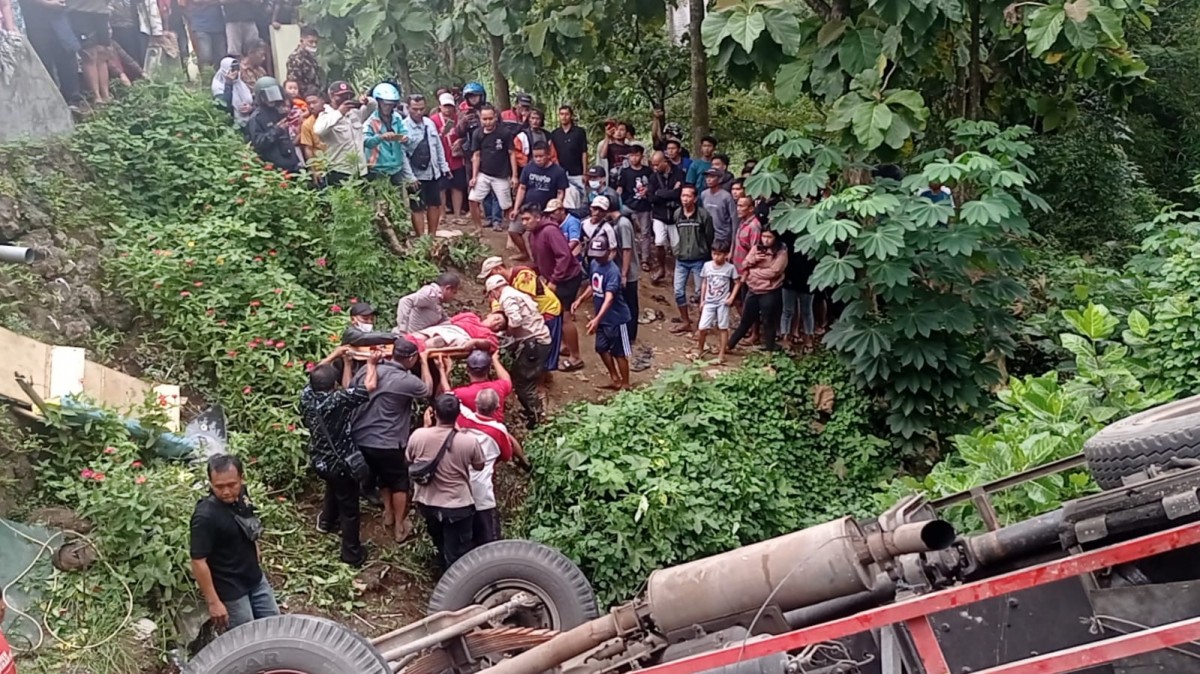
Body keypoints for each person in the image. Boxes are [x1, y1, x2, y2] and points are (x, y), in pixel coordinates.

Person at [301, 345, 379, 566]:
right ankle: (351, 554)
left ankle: (325, 521)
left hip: (320, 460)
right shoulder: (338, 401)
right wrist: (372, 365)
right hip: (342, 464)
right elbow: (370, 386)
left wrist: (337, 355)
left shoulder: (307, 396)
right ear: (334, 385)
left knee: (334, 488)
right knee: (350, 509)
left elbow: (315, 371)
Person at [351, 337, 433, 542]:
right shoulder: (406, 381)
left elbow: (350, 388)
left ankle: (387, 513)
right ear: (412, 357)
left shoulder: (366, 370)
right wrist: (425, 363)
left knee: (381, 477)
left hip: (362, 438)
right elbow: (428, 390)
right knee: (399, 482)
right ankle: (399, 525)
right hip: (388, 441)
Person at [190, 454, 279, 631]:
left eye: (232, 485)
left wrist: (255, 550)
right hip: (230, 588)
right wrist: (214, 602)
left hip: (254, 577)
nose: (226, 492)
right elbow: (198, 561)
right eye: (219, 487)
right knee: (245, 636)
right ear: (210, 483)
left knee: (274, 624)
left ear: (241, 478)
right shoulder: (205, 516)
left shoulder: (242, 496)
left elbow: (248, 521)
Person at [407, 393, 484, 570]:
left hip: (428, 503)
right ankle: (456, 588)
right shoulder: (468, 441)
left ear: (434, 413)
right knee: (458, 554)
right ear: (458, 414)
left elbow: (409, 459)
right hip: (457, 505)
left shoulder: (418, 435)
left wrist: (426, 428)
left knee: (440, 543)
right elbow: (479, 465)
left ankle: (442, 577)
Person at [478, 254, 568, 372]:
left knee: (544, 346)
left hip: (547, 309)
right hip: (536, 314)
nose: (489, 279)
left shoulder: (523, 275)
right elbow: (500, 304)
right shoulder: (505, 287)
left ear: (498, 269)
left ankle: (542, 380)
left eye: (490, 275)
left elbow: (527, 300)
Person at [484, 275, 553, 427]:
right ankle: (532, 411)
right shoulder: (516, 293)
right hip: (538, 339)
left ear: (495, 290)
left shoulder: (507, 298)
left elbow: (515, 320)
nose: (493, 297)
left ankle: (536, 416)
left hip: (534, 343)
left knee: (523, 382)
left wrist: (508, 334)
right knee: (522, 377)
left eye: (491, 294)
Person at [525, 202, 586, 372]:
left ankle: (576, 357)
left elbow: (564, 256)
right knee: (557, 313)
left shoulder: (550, 231)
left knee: (564, 315)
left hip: (568, 277)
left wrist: (554, 280)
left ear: (537, 218)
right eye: (522, 219)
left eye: (527, 219)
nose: (524, 223)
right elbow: (540, 259)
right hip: (555, 276)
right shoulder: (533, 235)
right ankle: (565, 346)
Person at [457, 389, 522, 546]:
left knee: (464, 542)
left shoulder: (463, 416)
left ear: (475, 404)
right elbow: (507, 455)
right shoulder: (498, 430)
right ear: (497, 407)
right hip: (482, 494)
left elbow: (449, 397)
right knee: (491, 544)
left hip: (458, 492)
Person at [571, 238, 632, 390]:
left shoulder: (613, 271)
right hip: (603, 318)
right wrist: (580, 299)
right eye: (595, 254)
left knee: (619, 353)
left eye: (600, 254)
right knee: (601, 348)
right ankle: (614, 378)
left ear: (609, 252)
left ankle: (626, 384)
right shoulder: (594, 264)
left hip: (617, 319)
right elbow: (593, 285)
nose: (598, 257)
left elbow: (609, 298)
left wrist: (596, 319)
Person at [728, 228, 788, 353]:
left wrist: (753, 272)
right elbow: (744, 264)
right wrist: (753, 260)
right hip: (753, 290)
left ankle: (770, 351)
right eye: (763, 236)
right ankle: (729, 345)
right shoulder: (756, 248)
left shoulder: (781, 252)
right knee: (745, 321)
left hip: (769, 291)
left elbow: (775, 271)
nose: (765, 240)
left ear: (775, 238)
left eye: (769, 237)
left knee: (768, 322)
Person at [668, 184, 714, 335]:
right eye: (683, 196)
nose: (685, 199)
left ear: (695, 198)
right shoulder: (677, 214)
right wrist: (676, 250)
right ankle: (686, 321)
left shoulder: (703, 215)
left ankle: (702, 325)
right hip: (681, 259)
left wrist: (705, 252)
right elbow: (674, 234)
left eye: (688, 196)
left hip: (699, 260)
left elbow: (709, 236)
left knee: (701, 292)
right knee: (678, 292)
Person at [509, 141, 568, 259]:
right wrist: (516, 208)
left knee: (540, 237)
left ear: (548, 154)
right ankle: (524, 253)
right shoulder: (528, 167)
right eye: (536, 156)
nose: (538, 159)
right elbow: (522, 188)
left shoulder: (558, 171)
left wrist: (555, 210)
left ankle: (540, 260)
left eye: (541, 156)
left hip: (545, 211)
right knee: (513, 230)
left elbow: (561, 193)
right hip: (527, 208)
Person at [404, 94, 452, 236]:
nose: (418, 112)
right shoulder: (403, 127)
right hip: (416, 174)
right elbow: (403, 155)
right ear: (408, 108)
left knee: (434, 204)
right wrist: (410, 177)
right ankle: (421, 238)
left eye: (421, 109)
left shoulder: (429, 123)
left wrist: (444, 166)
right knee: (417, 207)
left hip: (433, 171)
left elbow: (437, 146)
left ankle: (432, 236)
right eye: (415, 109)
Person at [468, 104, 518, 232]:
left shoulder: (504, 133)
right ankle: (478, 228)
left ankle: (513, 234)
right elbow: (476, 155)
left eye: (490, 118)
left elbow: (512, 153)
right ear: (480, 118)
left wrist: (514, 176)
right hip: (484, 173)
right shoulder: (477, 133)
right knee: (473, 200)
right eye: (484, 119)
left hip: (501, 175)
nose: (488, 122)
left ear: (495, 117)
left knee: (507, 207)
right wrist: (474, 176)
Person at [364, 82, 417, 196]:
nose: (388, 107)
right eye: (385, 104)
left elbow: (406, 134)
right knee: (381, 205)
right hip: (378, 169)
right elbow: (366, 142)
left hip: (396, 168)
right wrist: (381, 137)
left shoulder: (397, 117)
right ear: (378, 102)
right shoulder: (370, 120)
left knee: (398, 204)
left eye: (391, 104)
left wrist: (405, 138)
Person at [316, 81, 371, 186]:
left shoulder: (355, 113)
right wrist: (340, 113)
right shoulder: (326, 115)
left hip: (360, 170)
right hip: (340, 171)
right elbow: (318, 130)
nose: (345, 98)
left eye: (347, 95)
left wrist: (365, 101)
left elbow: (373, 106)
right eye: (340, 96)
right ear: (331, 96)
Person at [246, 76, 302, 173]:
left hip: (290, 162)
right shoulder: (257, 117)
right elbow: (258, 143)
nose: (271, 99)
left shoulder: (278, 111)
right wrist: (276, 130)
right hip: (274, 167)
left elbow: (286, 139)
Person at [445, 348, 513, 420]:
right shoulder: (499, 387)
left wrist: (444, 371)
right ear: (489, 369)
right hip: (496, 428)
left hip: (472, 430)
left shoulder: (461, 393)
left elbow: (446, 395)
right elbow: (506, 379)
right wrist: (495, 360)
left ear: (468, 370)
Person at [648, 150, 684, 285]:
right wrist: (670, 192)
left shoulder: (679, 174)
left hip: (674, 216)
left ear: (665, 162)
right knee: (659, 242)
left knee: (677, 247)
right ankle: (661, 268)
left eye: (657, 164)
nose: (655, 168)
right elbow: (651, 197)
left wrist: (662, 193)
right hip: (659, 215)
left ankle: (678, 273)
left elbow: (679, 194)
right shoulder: (653, 177)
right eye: (653, 165)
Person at [697, 244, 737, 363]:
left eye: (719, 254)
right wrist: (702, 300)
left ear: (725, 255)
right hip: (709, 301)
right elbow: (704, 282)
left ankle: (721, 354)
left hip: (722, 302)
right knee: (702, 328)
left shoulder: (730, 268)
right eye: (714, 254)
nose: (716, 257)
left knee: (723, 328)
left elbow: (737, 282)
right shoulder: (707, 266)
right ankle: (699, 349)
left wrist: (731, 297)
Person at [617, 143, 654, 273]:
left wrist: (648, 190)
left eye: (636, 155)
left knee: (645, 233)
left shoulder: (648, 171)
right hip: (628, 205)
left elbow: (653, 185)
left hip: (644, 206)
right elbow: (620, 187)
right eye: (631, 155)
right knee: (625, 229)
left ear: (641, 156)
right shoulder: (625, 172)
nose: (634, 158)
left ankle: (645, 259)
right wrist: (616, 200)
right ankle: (626, 253)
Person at [68, 0, 112, 103]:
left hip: (101, 11)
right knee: (89, 55)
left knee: (103, 53)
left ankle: (106, 95)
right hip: (79, 11)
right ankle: (96, 96)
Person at [433, 92, 467, 218]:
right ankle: (442, 215)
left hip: (456, 158)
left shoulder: (459, 119)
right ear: (440, 107)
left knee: (457, 187)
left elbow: (465, 135)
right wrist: (440, 134)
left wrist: (461, 141)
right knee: (442, 188)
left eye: (450, 106)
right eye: (445, 106)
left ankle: (457, 215)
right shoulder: (434, 120)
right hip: (441, 159)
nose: (448, 109)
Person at [549, 105, 589, 213]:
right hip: (561, 172)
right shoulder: (554, 134)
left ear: (571, 116)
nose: (564, 117)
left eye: (566, 114)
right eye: (561, 114)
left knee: (581, 198)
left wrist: (585, 172)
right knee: (563, 198)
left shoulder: (579, 132)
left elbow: (584, 152)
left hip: (577, 172)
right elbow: (552, 154)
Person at [394, 272, 460, 335]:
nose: (453, 297)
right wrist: (402, 331)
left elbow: (444, 320)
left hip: (416, 338)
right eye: (454, 292)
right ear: (447, 288)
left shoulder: (437, 300)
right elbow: (405, 301)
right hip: (405, 338)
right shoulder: (430, 294)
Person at [212, 56, 254, 129]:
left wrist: (251, 108)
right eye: (232, 68)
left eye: (236, 68)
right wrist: (228, 83)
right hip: (231, 124)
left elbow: (252, 100)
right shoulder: (218, 85)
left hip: (248, 121)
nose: (235, 72)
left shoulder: (240, 82)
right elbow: (224, 106)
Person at [701, 168, 737, 250]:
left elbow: (734, 218)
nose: (709, 179)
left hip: (723, 237)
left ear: (719, 179)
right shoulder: (704, 194)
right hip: (707, 235)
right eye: (707, 177)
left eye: (712, 177)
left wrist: (733, 241)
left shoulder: (726, 196)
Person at [185, 0, 224, 69]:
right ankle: (206, 78)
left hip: (219, 25)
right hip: (201, 26)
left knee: (221, 57)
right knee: (205, 57)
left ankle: (219, 78)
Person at [298, 92, 326, 182]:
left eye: (314, 102)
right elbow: (308, 148)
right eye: (308, 104)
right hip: (320, 166)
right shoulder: (307, 124)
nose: (311, 106)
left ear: (322, 101)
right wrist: (313, 171)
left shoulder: (332, 117)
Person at [286, 25, 322, 96]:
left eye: (316, 42)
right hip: (303, 97)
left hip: (314, 94)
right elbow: (294, 82)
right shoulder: (295, 58)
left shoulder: (311, 57)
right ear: (302, 41)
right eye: (311, 42)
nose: (314, 45)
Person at [732, 196, 762, 278]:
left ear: (751, 209)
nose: (738, 209)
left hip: (746, 272)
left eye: (741, 206)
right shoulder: (742, 221)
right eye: (737, 206)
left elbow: (754, 250)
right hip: (737, 268)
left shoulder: (754, 226)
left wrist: (746, 270)